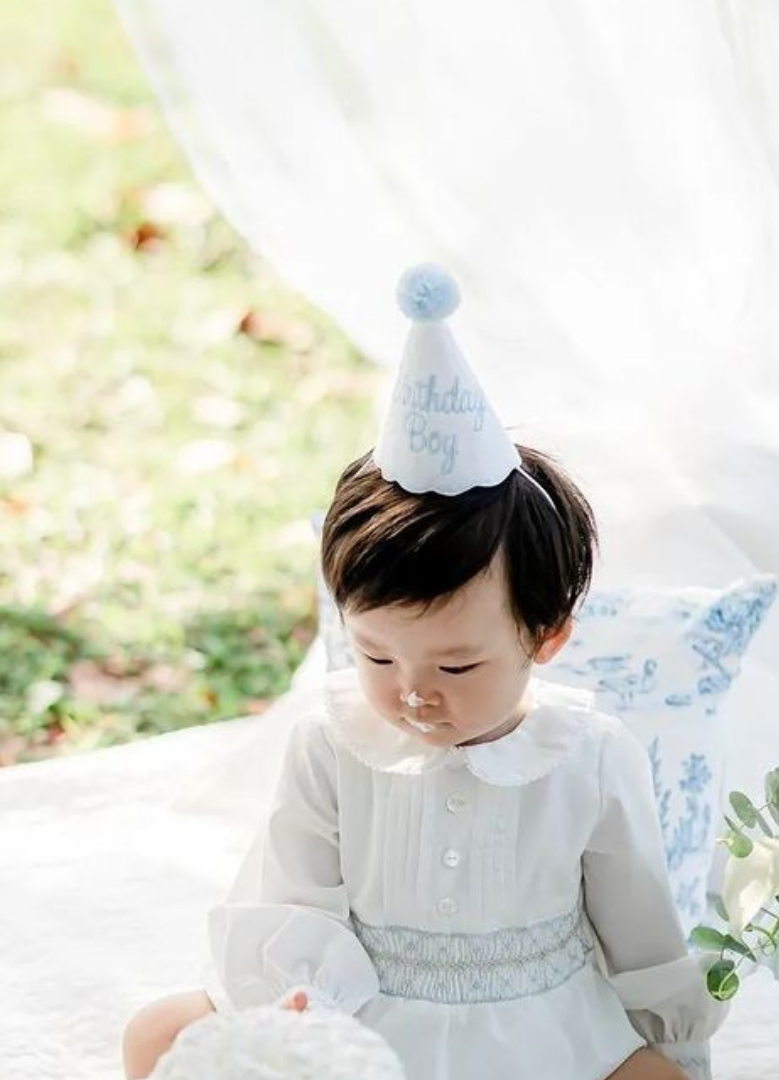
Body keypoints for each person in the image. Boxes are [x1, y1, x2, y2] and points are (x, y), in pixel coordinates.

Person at [121, 266, 726, 1080]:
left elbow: (639, 924)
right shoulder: (332, 743)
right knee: (160, 1035)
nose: (413, 690)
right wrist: (303, 1004)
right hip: (362, 1012)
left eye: (458, 663)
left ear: (544, 638)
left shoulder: (588, 755)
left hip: (540, 1028)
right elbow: (294, 890)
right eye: (375, 654)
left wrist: (670, 1035)